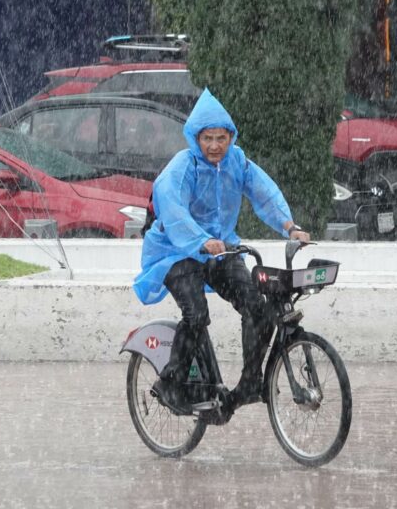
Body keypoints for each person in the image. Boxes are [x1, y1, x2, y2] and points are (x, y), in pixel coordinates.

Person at [133, 88, 310, 414]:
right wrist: (199, 239)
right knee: (196, 315)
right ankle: (170, 382)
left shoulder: (237, 161)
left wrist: (290, 226)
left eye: (221, 138)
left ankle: (248, 384)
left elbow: (264, 193)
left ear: (231, 137)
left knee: (256, 307)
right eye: (207, 138)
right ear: (195, 138)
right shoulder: (183, 166)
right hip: (175, 252)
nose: (215, 146)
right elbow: (171, 207)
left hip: (220, 251)